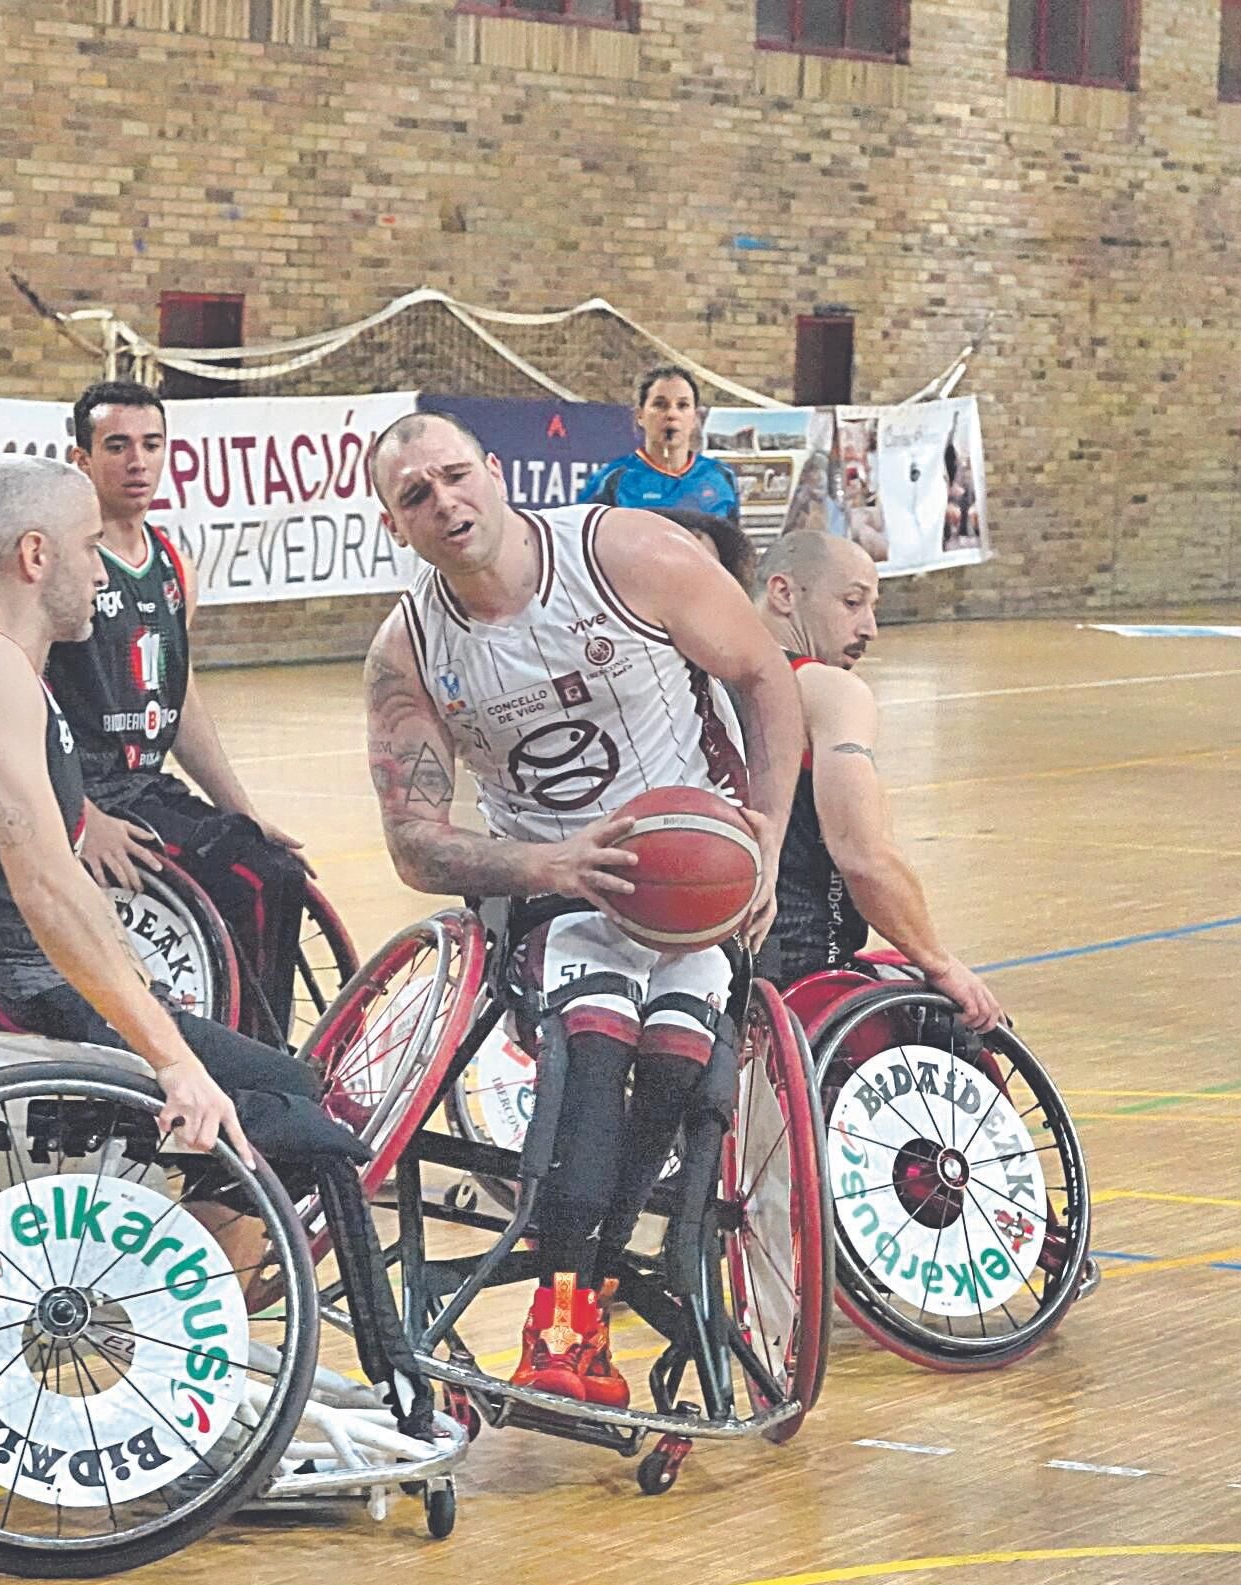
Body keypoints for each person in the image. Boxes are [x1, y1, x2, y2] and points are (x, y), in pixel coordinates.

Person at [0, 455, 421, 1412]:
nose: (104, 572)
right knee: (294, 1124)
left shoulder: (3, 670)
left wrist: (156, 1021)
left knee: (286, 1082)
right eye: (91, 549)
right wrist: (172, 1058)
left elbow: (61, 880)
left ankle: (189, 1344)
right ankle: (201, 1366)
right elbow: (49, 889)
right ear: (35, 554)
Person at [362, 410, 801, 1407]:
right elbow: (414, 842)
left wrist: (765, 834)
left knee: (682, 1060)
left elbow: (764, 676)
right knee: (592, 1050)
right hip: (558, 890)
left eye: (455, 474)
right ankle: (563, 1318)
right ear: (396, 527)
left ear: (497, 472)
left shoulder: (628, 551)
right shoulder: (409, 649)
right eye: (415, 495)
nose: (445, 501)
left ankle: (592, 1282)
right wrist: (547, 862)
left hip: (697, 873)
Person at [48, 381, 316, 1042]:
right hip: (86, 791)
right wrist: (82, 818)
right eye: (117, 446)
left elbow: (180, 696)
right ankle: (257, 1062)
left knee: (276, 866)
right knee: (258, 879)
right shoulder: (59, 566)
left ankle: (261, 1046)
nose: (137, 461)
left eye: (151, 444)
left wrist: (240, 806)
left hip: (146, 785)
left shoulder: (173, 564)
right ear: (80, 460)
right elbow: (20, 699)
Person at [743, 531, 1002, 1026]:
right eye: (852, 602)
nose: (871, 628)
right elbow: (862, 856)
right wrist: (938, 962)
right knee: (963, 1024)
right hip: (796, 975)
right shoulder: (827, 690)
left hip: (682, 965)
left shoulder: (692, 676)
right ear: (783, 594)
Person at [578, 365, 741, 524]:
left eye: (682, 405)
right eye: (660, 404)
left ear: (695, 417)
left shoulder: (721, 476)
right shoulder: (611, 480)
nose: (671, 414)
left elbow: (734, 545)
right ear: (639, 415)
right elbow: (580, 543)